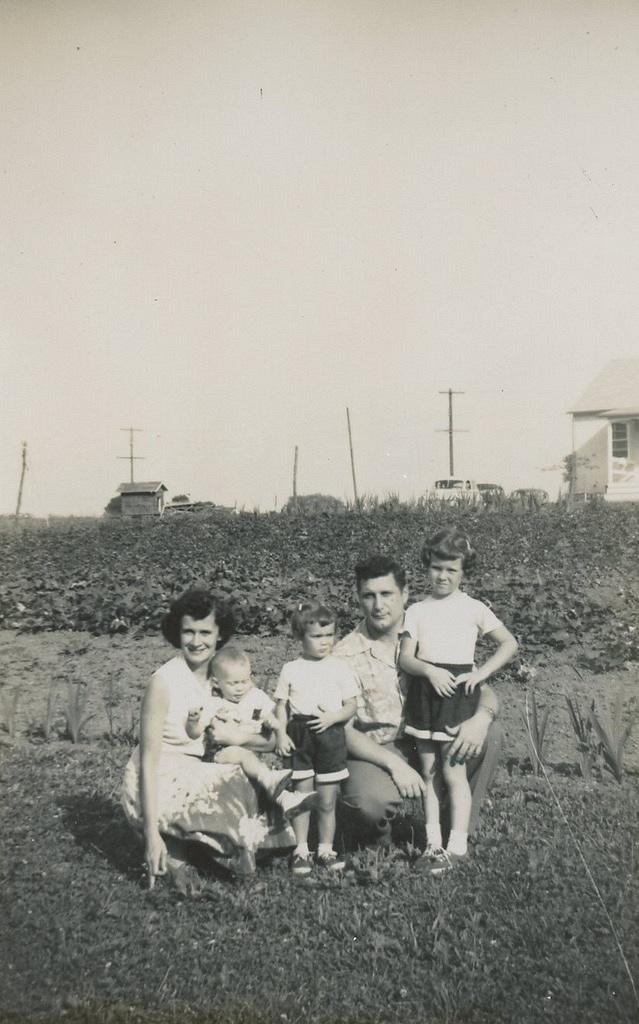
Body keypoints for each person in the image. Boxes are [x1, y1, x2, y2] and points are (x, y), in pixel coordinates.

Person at [120, 589, 296, 886]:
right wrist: (150, 835)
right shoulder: (163, 682)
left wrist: (234, 735)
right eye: (188, 631)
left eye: (205, 632)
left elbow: (266, 742)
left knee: (245, 777)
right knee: (229, 789)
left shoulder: (226, 678)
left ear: (219, 635)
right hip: (161, 776)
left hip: (200, 770)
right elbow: (148, 762)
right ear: (177, 633)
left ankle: (205, 847)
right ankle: (170, 841)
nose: (196, 641)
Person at [334, 554, 504, 853]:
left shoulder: (431, 631)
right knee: (370, 802)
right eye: (369, 596)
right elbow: (343, 731)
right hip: (380, 748)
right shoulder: (343, 655)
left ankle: (457, 831)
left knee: (489, 733)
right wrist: (394, 765)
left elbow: (481, 689)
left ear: (406, 594)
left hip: (432, 734)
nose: (378, 605)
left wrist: (481, 719)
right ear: (357, 598)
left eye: (387, 594)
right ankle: (379, 843)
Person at [398, 528, 518, 872]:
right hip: (426, 695)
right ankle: (432, 844)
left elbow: (509, 644)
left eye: (452, 569)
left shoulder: (475, 608)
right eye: (437, 567)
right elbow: (406, 658)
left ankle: (457, 844)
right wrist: (428, 670)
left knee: (453, 772)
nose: (443, 576)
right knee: (429, 772)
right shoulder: (418, 610)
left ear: (464, 572)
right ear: (427, 567)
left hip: (458, 698)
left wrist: (480, 675)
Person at [274, 601, 359, 876]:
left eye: (329, 635)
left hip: (329, 734)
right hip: (300, 734)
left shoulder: (340, 668)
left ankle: (325, 849)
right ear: (300, 636)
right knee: (302, 796)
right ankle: (301, 850)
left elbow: (351, 705)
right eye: (317, 636)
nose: (325, 642)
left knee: (326, 799)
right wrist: (280, 734)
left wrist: (334, 717)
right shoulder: (291, 669)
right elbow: (280, 707)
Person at [185, 646, 317, 820]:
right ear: (217, 683)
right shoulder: (213, 703)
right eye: (233, 684)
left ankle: (285, 798)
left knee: (251, 775)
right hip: (218, 755)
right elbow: (194, 734)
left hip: (250, 759)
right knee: (242, 755)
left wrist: (272, 723)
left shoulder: (255, 697)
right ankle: (271, 782)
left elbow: (272, 717)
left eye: (244, 681)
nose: (240, 688)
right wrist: (193, 721)